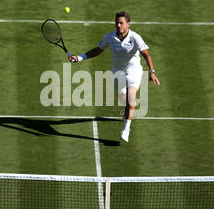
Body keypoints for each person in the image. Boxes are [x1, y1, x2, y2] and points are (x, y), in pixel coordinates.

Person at [68, 12, 160, 142]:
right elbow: (98, 50)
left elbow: (146, 55)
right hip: (117, 72)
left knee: (131, 98)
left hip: (133, 72)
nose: (118, 25)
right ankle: (126, 109)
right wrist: (79, 57)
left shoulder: (135, 38)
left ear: (128, 24)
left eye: (121, 23)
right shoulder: (109, 37)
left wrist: (152, 71)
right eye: (117, 22)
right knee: (123, 99)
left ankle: (126, 128)